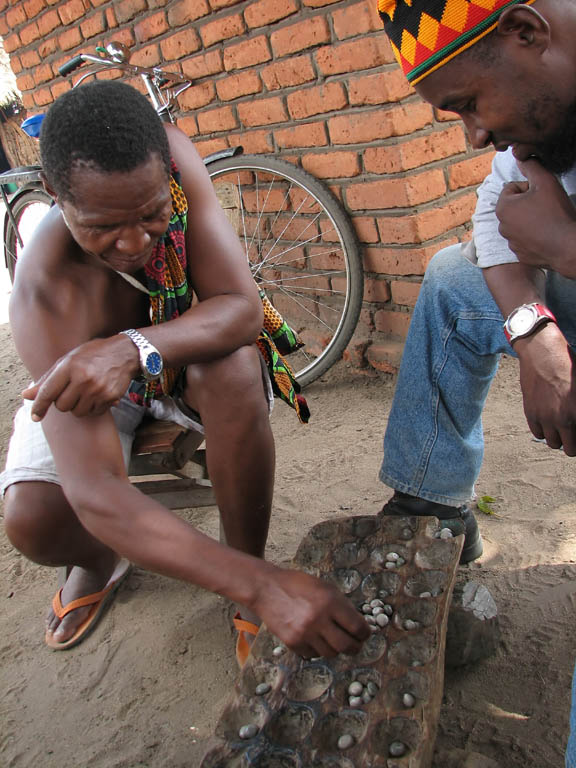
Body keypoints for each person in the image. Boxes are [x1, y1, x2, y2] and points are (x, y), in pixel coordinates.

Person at [0, 81, 369, 662]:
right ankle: (102, 560)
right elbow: (96, 490)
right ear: (51, 193)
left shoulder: (174, 160)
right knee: (32, 520)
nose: (134, 242)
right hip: (100, 386)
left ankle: (243, 566)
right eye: (102, 226)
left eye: (151, 214)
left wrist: (130, 347)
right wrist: (270, 584)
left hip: (170, 348)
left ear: (164, 171)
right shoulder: (45, 294)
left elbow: (241, 309)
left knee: (235, 369)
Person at [376, 0, 576, 763]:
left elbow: (538, 233)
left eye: (468, 104)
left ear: (528, 32)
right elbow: (494, 218)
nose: (476, 135)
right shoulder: (544, 121)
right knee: (456, 276)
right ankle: (433, 501)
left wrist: (562, 243)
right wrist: (532, 334)